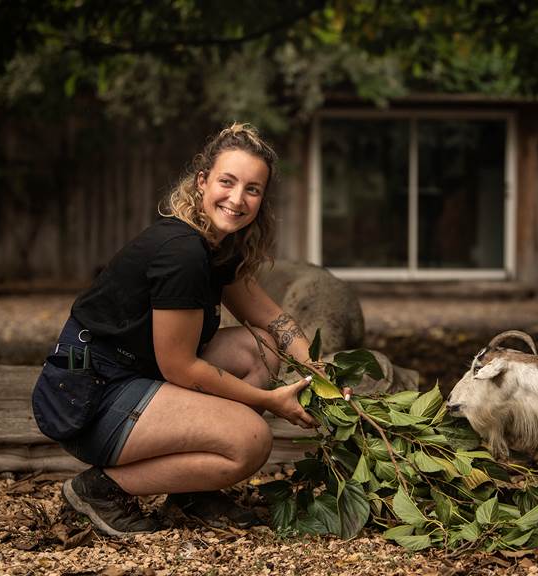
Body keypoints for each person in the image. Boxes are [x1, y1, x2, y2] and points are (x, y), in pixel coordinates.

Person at [34, 123, 323, 536]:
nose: (237, 199)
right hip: (91, 402)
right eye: (227, 181)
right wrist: (269, 401)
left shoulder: (217, 244)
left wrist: (316, 367)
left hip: (135, 378)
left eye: (253, 189)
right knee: (251, 442)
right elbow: (181, 369)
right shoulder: (181, 252)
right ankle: (100, 489)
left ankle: (192, 489)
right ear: (202, 181)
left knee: (258, 347)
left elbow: (271, 320)